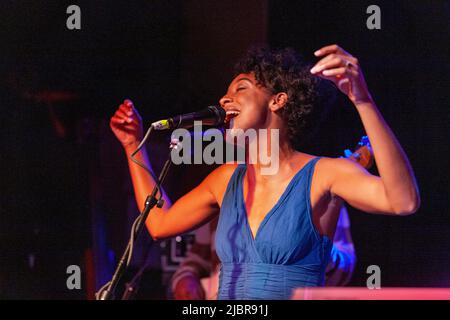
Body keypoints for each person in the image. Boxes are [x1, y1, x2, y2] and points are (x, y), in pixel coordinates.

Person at [110, 44, 420, 299]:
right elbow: (159, 223)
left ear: (278, 100)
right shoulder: (226, 178)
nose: (224, 99)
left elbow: (403, 201)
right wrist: (133, 145)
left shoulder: (325, 173)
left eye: (240, 88)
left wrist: (362, 100)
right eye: (226, 92)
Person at [171, 205, 356, 300]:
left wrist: (314, 245)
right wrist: (186, 278)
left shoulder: (322, 196)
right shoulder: (223, 190)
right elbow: (196, 258)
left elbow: (345, 270)